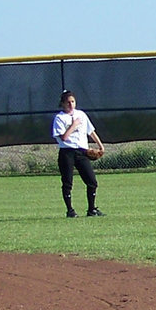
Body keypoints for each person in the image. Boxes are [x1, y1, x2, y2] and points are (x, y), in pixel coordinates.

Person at [52, 90, 105, 218]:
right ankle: (70, 211)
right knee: (67, 182)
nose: (71, 104)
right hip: (67, 152)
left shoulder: (81, 114)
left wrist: (100, 145)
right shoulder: (59, 118)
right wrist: (74, 125)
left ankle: (91, 209)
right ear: (62, 104)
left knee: (92, 181)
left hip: (82, 152)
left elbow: (90, 131)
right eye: (68, 102)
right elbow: (64, 137)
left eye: (73, 101)